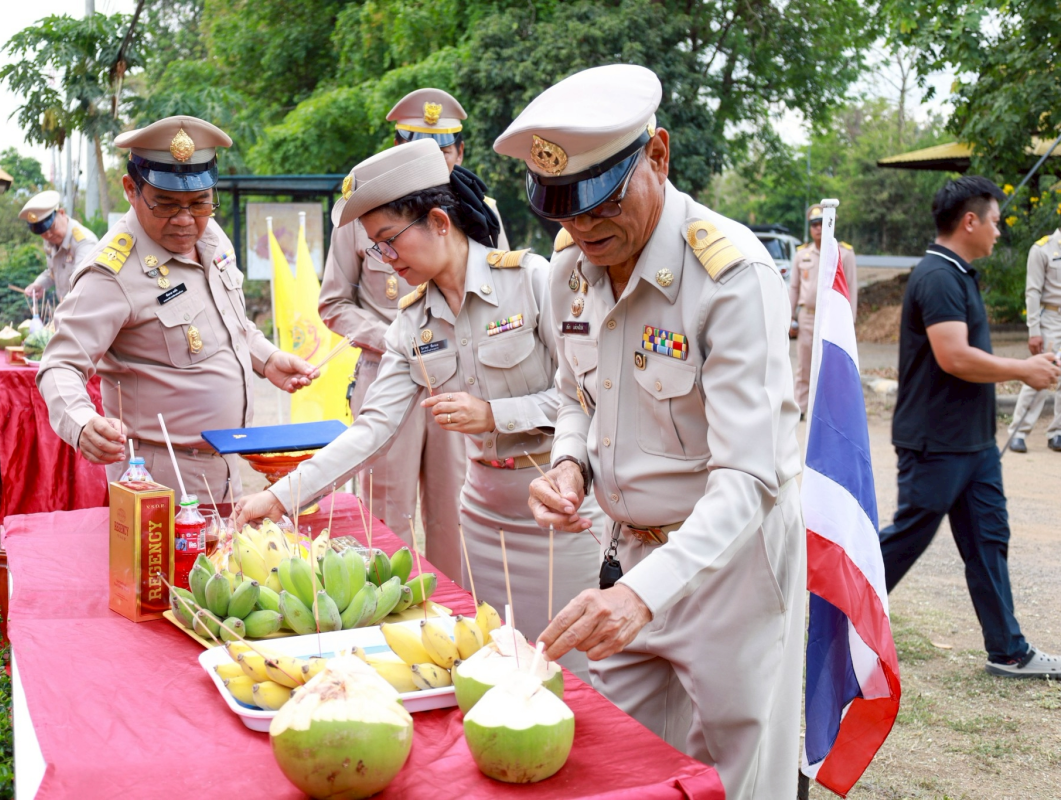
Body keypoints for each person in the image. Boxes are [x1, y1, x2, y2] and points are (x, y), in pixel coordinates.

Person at [503, 65, 804, 798]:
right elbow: (581, 391)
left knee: (735, 772)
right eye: (564, 214)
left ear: (658, 156)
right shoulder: (569, 271)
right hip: (627, 559)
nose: (584, 229)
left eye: (602, 202)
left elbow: (749, 478)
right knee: (614, 761)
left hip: (729, 566)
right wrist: (570, 463)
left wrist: (646, 595)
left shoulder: (731, 277)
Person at [233, 139, 604, 678]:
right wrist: (280, 494)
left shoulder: (530, 280)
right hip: (485, 518)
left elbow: (582, 396)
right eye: (376, 249)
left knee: (572, 673)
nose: (385, 260)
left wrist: (494, 415)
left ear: (437, 220)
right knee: (501, 668)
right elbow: (372, 430)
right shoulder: (412, 323)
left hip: (558, 508)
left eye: (388, 241)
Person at [37, 115, 317, 501]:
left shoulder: (211, 236)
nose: (185, 220)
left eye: (199, 203)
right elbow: (59, 364)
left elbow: (227, 320)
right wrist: (82, 423)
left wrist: (266, 359)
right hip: (156, 480)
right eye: (166, 204)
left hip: (225, 466)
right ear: (131, 190)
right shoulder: (112, 272)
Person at [879, 176, 1061, 678]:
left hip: (973, 442)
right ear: (970, 221)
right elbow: (954, 356)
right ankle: (824, 615)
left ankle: (1009, 651)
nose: (999, 233)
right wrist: (1024, 369)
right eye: (996, 223)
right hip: (936, 441)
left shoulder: (959, 273)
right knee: (907, 538)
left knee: (988, 539)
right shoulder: (937, 276)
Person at [318, 88, 508, 547]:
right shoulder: (363, 215)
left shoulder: (483, 213)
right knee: (385, 514)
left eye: (444, 148)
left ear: (459, 152)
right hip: (386, 373)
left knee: (456, 513)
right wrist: (396, 341)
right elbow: (333, 303)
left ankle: (456, 616)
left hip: (457, 384)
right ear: (399, 149)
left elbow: (499, 298)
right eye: (418, 146)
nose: (435, 158)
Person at [790, 203, 858, 416]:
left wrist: (850, 322)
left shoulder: (843, 254)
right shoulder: (802, 255)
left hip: (832, 317)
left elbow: (851, 289)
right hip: (807, 317)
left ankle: (830, 410)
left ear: (831, 223)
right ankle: (801, 407)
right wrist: (790, 318)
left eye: (822, 223)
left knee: (831, 364)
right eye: (814, 224)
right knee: (804, 364)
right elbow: (794, 288)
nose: (818, 228)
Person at [1006, 225, 1061, 453]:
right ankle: (1018, 432)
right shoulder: (1043, 250)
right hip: (1051, 318)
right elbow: (1033, 291)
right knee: (1041, 373)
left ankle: (1057, 432)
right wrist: (1033, 330)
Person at [18, 190, 98, 304]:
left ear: (61, 213)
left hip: (87, 309)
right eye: (43, 233)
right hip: (68, 308)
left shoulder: (84, 242)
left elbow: (80, 286)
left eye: (52, 228)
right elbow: (54, 271)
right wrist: (39, 284)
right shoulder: (51, 240)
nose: (49, 235)